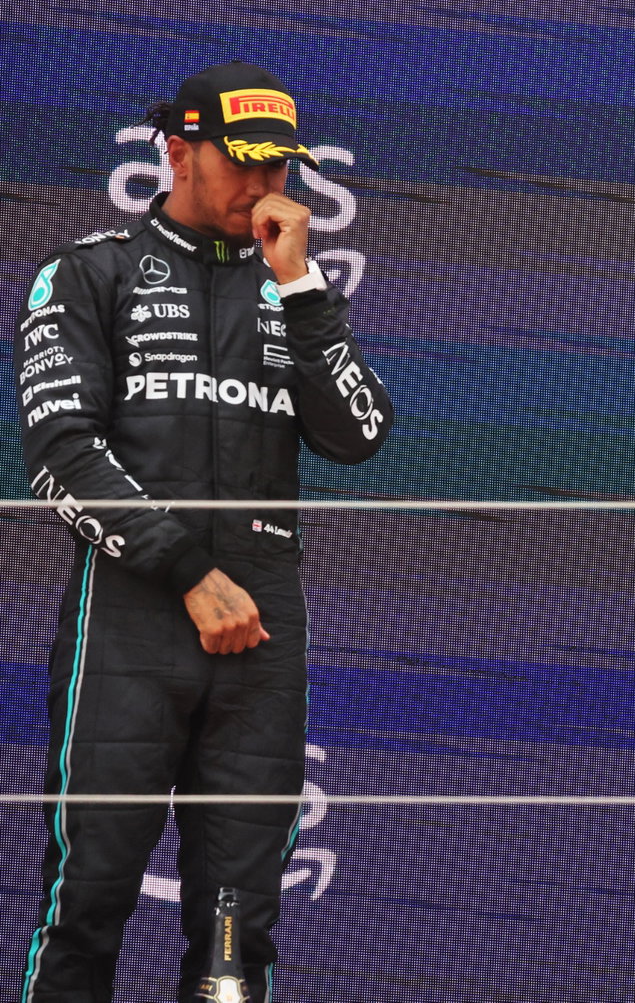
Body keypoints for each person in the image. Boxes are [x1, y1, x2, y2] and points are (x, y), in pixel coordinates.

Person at [15, 61, 393, 1002]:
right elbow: (61, 452)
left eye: (282, 168)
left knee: (236, 936)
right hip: (128, 637)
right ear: (177, 153)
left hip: (258, 646)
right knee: (87, 904)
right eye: (245, 165)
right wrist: (187, 569)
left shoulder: (295, 292)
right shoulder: (87, 273)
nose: (266, 188)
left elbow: (360, 436)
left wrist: (305, 289)